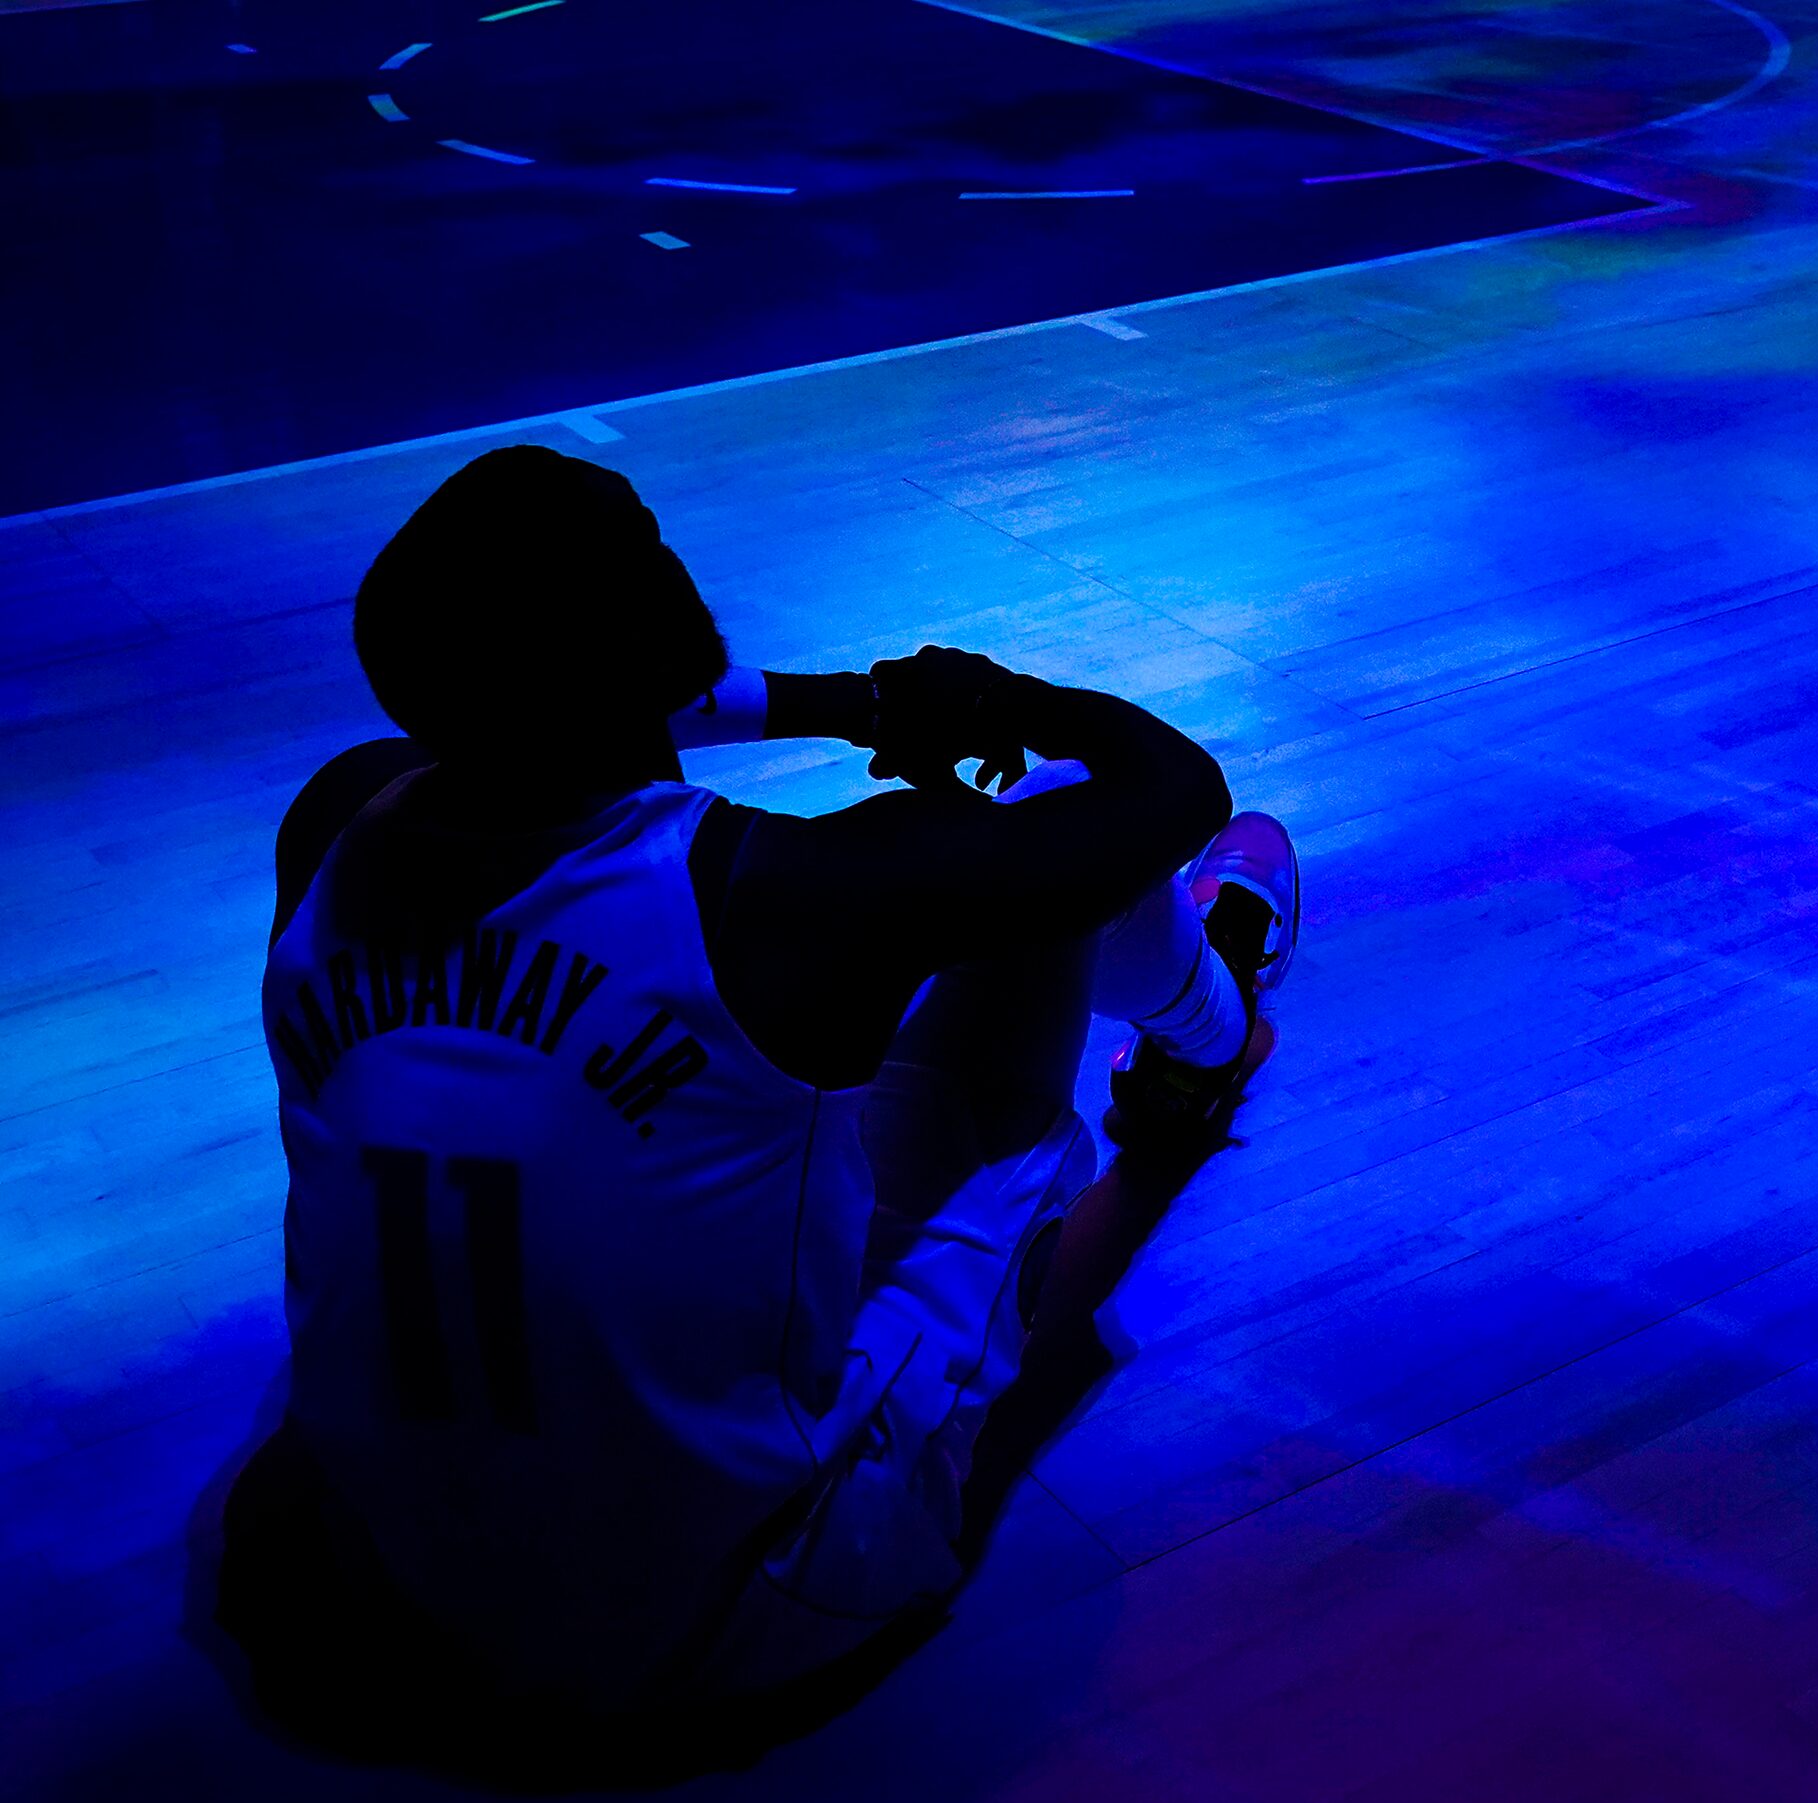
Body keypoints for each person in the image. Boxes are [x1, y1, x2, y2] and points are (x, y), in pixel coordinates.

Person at [226, 444, 1297, 1724]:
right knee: (1046, 874)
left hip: (364, 1585)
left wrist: (853, 704)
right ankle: (1208, 1034)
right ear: (666, 640)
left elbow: (543, 700)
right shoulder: (786, 894)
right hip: (722, 1623)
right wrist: (1001, 695)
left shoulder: (337, 813)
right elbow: (1172, 787)